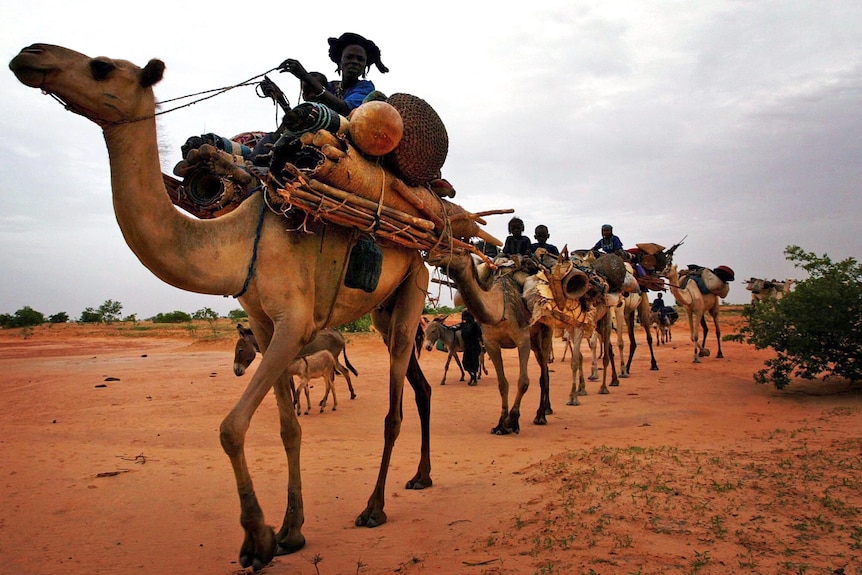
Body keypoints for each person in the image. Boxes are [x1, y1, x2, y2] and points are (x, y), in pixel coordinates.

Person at [280, 32, 389, 117]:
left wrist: (306, 77)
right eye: (349, 57)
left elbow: (345, 109)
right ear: (340, 62)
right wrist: (280, 98)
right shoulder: (330, 87)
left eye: (360, 59)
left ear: (365, 66)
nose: (355, 62)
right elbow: (306, 115)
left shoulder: (365, 88)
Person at [458, 310, 483, 386]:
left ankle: (474, 379)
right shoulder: (463, 325)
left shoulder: (475, 325)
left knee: (474, 363)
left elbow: (479, 335)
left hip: (474, 346)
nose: (465, 318)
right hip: (467, 347)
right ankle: (472, 376)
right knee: (465, 363)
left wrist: (481, 344)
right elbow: (455, 328)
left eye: (466, 316)